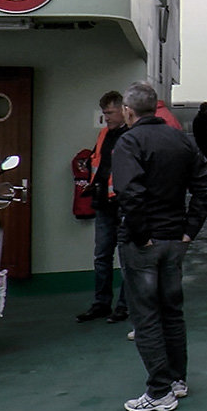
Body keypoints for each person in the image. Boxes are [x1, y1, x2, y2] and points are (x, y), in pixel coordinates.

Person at [112, 82, 207, 411]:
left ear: (129, 111)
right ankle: (176, 381)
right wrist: (189, 230)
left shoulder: (129, 142)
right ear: (156, 107)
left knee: (146, 317)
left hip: (145, 244)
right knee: (172, 312)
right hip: (175, 241)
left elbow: (130, 193)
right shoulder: (182, 140)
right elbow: (206, 186)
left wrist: (141, 235)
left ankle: (158, 392)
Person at [75, 91, 129, 324]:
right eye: (104, 113)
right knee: (102, 256)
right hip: (104, 204)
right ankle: (101, 304)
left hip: (124, 205)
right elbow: (99, 165)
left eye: (109, 112)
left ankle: (124, 306)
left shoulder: (132, 135)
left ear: (123, 110)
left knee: (127, 258)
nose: (105, 117)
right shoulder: (104, 135)